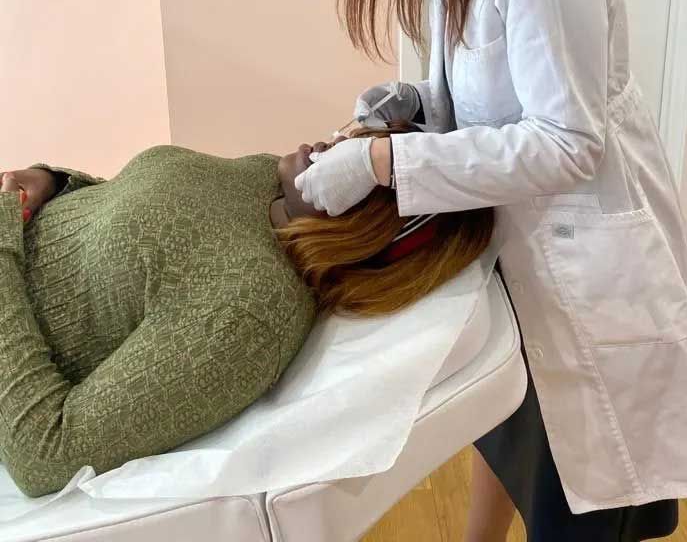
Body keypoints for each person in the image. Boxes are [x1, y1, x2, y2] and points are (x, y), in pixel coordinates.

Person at [294, 0, 687, 542]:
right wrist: (410, 107)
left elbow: (565, 142)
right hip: (522, 265)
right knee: (512, 439)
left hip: (591, 275)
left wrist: (384, 165)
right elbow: (491, 98)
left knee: (588, 502)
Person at [0, 125, 492, 498]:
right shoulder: (267, 179)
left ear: (371, 229)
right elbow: (123, 245)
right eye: (356, 137)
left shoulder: (247, 315)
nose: (333, 142)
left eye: (359, 159)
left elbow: (45, 454)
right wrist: (54, 183)